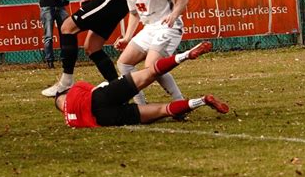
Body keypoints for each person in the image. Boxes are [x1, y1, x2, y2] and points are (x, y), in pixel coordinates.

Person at [54, 41, 229, 128]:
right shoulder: (76, 89)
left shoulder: (70, 120)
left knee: (162, 110)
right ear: (65, 94)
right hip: (101, 96)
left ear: (62, 109)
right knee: (151, 71)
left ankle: (202, 101)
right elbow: (97, 88)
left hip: (104, 117)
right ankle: (184, 55)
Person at [112, 0, 189, 106]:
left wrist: (174, 15)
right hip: (149, 29)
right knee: (124, 63)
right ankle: (140, 106)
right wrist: (127, 37)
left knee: (151, 66)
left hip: (168, 27)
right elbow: (134, 14)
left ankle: (179, 103)